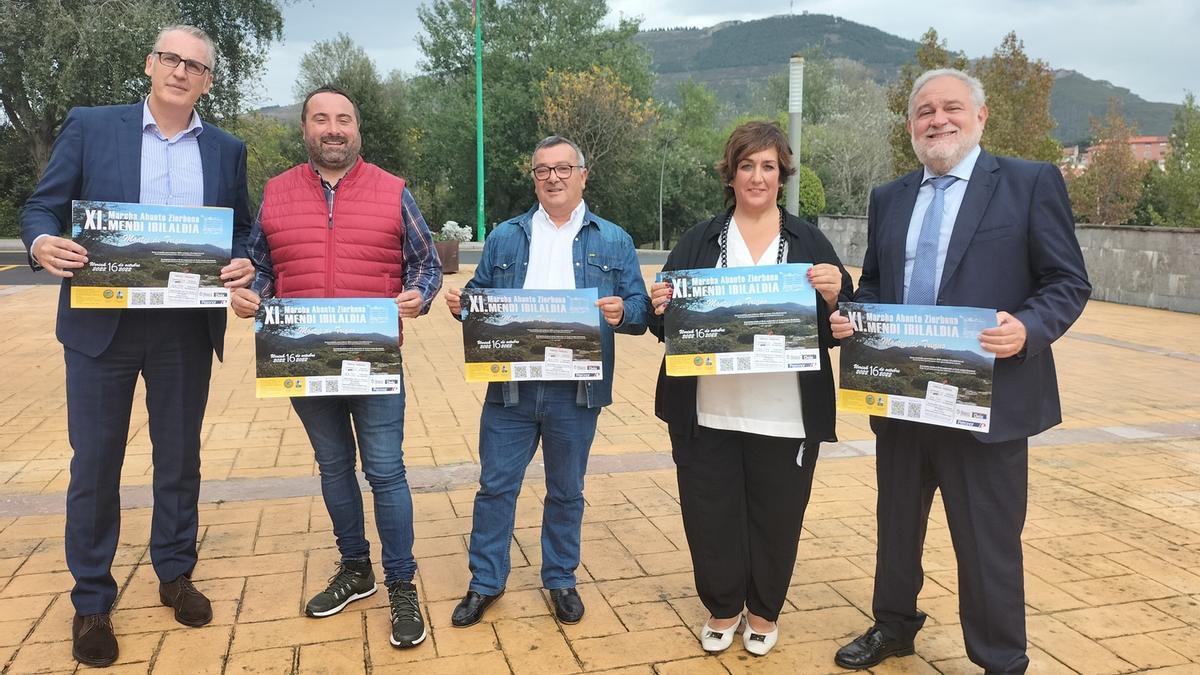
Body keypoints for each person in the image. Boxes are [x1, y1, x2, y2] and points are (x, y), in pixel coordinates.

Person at [831, 69, 1090, 673]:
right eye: (924, 111)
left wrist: (1027, 329)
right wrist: (855, 317)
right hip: (901, 394)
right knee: (896, 528)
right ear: (910, 125)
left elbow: (1067, 281)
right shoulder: (889, 197)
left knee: (987, 540)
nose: (937, 120)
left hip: (986, 402)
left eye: (951, 108)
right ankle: (894, 626)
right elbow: (874, 284)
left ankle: (1000, 657)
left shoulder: (1028, 183)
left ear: (981, 116)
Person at [19, 25, 254, 667]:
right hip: (102, 328)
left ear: (208, 80)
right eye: (171, 59)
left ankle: (175, 572)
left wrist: (241, 264)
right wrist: (43, 245)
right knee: (95, 465)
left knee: (179, 461)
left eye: (195, 65)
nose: (181, 71)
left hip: (184, 328)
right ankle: (92, 599)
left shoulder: (227, 150)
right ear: (151, 65)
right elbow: (42, 208)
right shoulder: (93, 127)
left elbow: (244, 230)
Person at [230, 86, 442, 649]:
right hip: (304, 358)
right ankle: (356, 569)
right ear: (305, 129)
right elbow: (261, 265)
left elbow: (425, 264)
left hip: (374, 360)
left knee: (386, 473)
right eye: (321, 119)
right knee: (332, 467)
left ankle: (401, 582)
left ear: (357, 130)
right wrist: (252, 293)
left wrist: (419, 294)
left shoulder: (393, 191)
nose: (333, 128)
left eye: (343, 119)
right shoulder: (276, 194)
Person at [647, 121, 852, 656]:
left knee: (777, 518)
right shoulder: (700, 238)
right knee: (709, 514)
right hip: (708, 409)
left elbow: (844, 322)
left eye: (768, 167)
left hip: (785, 411)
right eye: (747, 166)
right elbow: (661, 321)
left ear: (781, 177)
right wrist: (661, 302)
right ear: (731, 175)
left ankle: (763, 612)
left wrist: (837, 294)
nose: (757, 177)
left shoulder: (808, 241)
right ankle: (721, 607)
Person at [443, 136, 650, 627]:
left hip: (577, 390)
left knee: (566, 491)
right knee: (495, 487)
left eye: (563, 168)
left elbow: (641, 309)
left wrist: (623, 313)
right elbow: (479, 297)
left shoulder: (614, 240)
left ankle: (560, 579)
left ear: (582, 175)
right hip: (512, 385)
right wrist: (463, 306)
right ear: (533, 177)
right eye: (542, 170)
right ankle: (486, 582)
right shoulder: (505, 237)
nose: (552, 178)